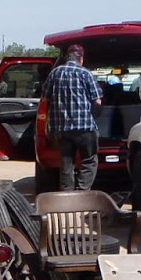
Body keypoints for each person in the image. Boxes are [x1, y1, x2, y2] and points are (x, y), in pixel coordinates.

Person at [43, 43, 102, 190]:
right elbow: (97, 101)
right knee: (89, 160)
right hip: (85, 128)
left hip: (63, 129)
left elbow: (45, 99)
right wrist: (94, 117)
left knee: (66, 163)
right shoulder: (86, 74)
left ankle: (67, 195)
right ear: (81, 59)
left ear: (67, 57)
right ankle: (82, 192)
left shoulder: (55, 73)